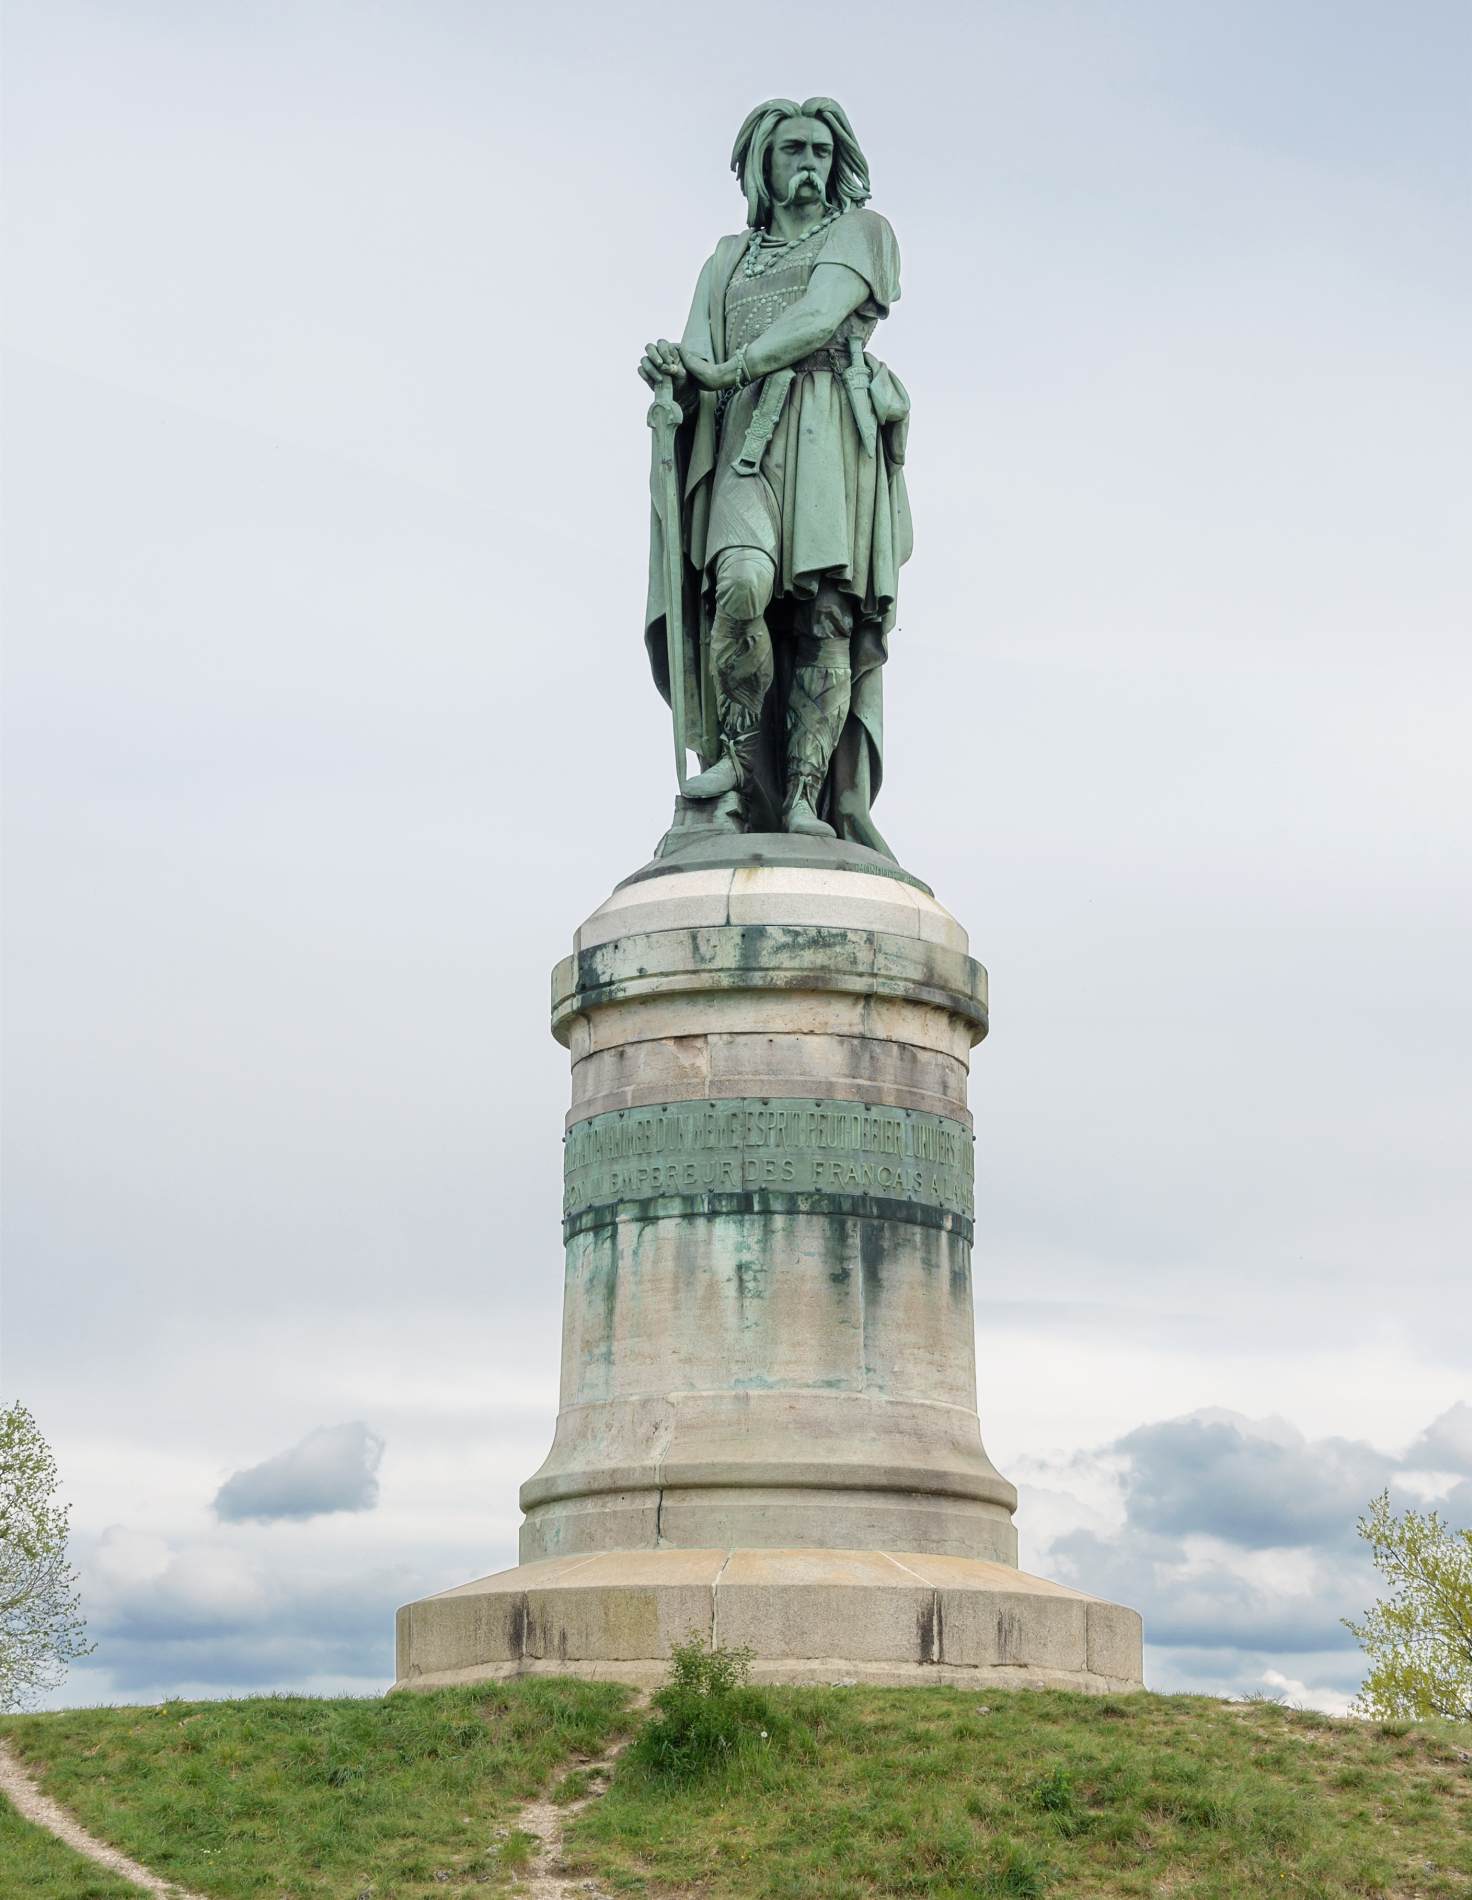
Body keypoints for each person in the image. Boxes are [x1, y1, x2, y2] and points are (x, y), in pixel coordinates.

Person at [639, 97, 912, 853]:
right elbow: (699, 352)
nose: (810, 165)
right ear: (765, 164)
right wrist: (676, 372)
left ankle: (802, 793)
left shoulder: (864, 233)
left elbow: (821, 315)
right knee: (739, 583)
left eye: (822, 152)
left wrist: (728, 367)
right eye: (794, 150)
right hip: (743, 441)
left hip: (827, 430)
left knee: (824, 614)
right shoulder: (726, 260)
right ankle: (739, 761)